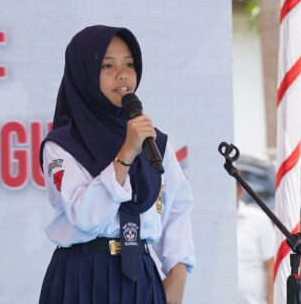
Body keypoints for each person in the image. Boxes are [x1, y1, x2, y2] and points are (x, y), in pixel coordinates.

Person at [38, 25, 194, 304]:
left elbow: (176, 209)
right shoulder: (62, 145)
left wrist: (178, 273)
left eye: (129, 64)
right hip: (81, 277)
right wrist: (126, 154)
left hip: (142, 277)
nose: (122, 74)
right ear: (83, 73)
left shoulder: (153, 140)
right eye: (107, 65)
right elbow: (85, 216)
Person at [236, 183, 275, 304]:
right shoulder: (209, 225)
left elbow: (270, 265)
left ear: (241, 190)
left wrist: (271, 301)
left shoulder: (259, 219)